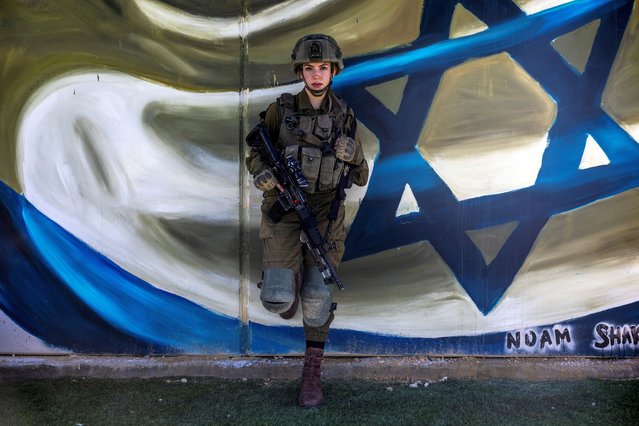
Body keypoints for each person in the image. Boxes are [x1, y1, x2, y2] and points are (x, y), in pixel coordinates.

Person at [246, 34, 369, 407]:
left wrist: (355, 154)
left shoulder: (345, 116)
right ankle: (289, 277)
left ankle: (311, 373)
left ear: (333, 71)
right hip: (284, 204)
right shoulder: (280, 111)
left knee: (317, 298)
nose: (316, 75)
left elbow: (361, 176)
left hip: (325, 212)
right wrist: (262, 172)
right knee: (277, 298)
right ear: (301, 71)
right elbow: (256, 151)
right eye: (310, 68)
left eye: (323, 68)